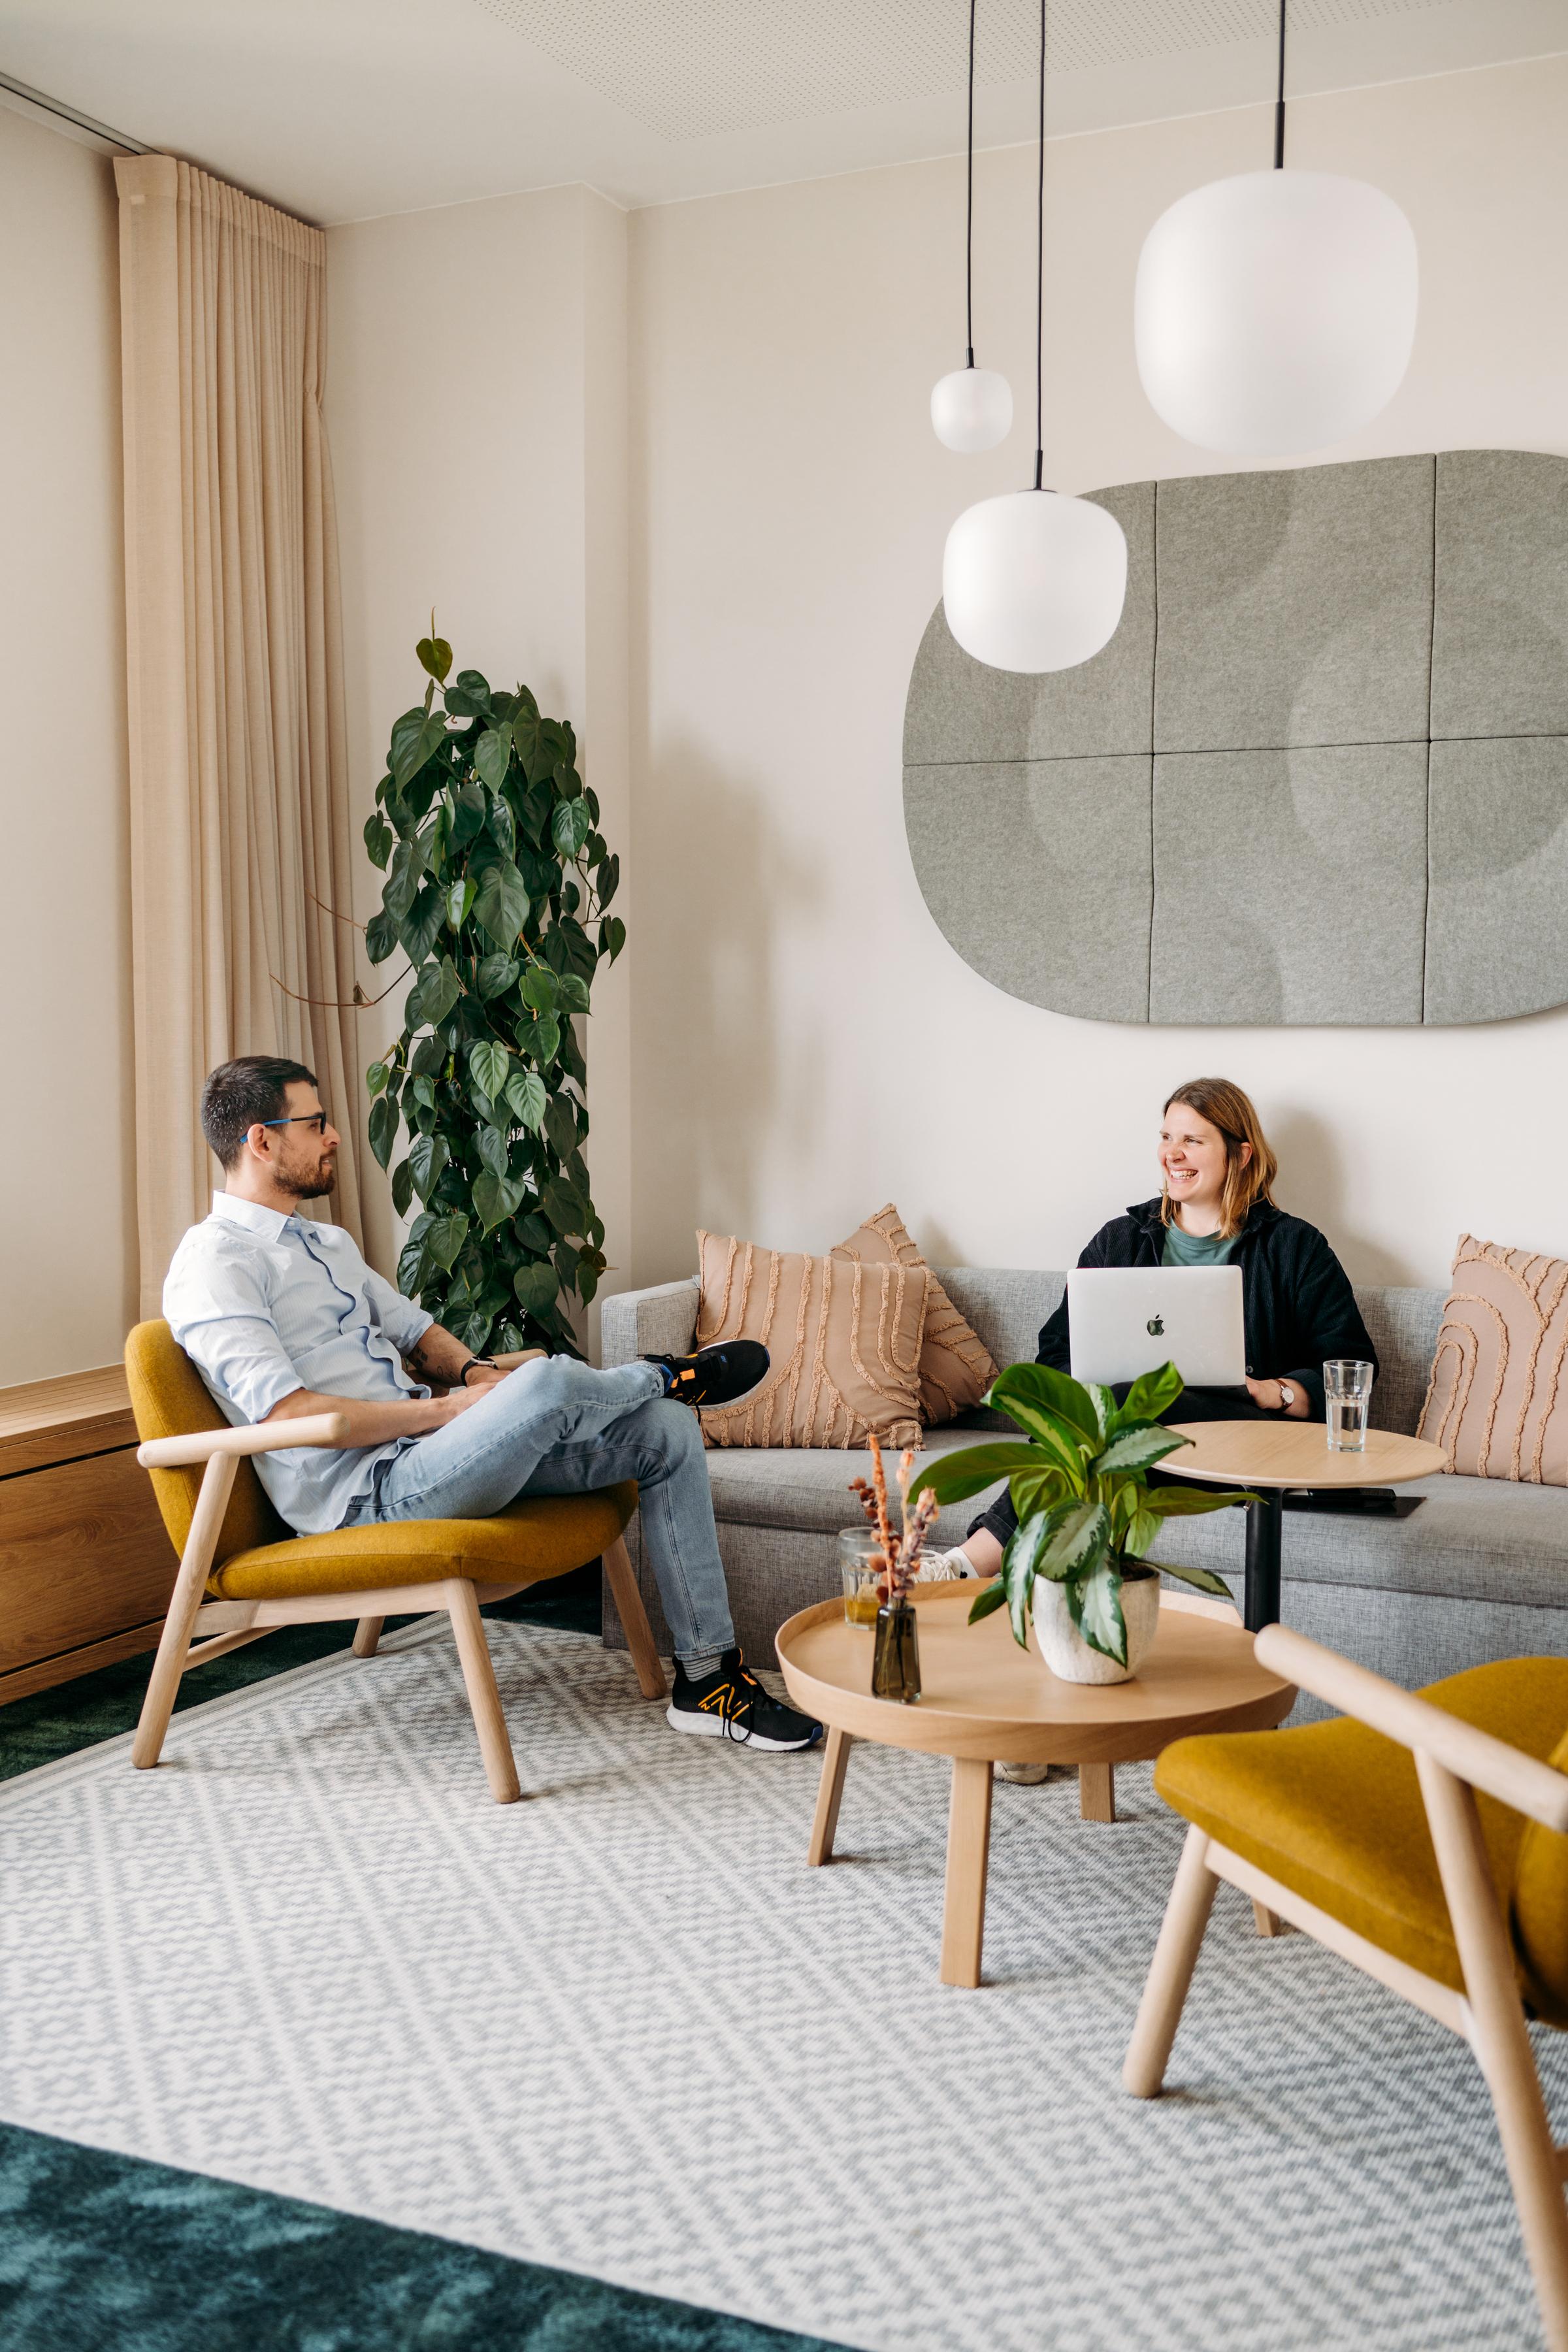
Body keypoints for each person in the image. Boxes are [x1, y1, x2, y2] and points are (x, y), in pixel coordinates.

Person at [163, 1055, 821, 1756]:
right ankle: (662, 1373)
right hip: (368, 1491)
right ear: (261, 1142)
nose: (333, 1138)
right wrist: (446, 1413)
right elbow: (290, 1418)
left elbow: (415, 1332)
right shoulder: (215, 1265)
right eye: (316, 1123)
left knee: (664, 1429)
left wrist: (474, 1375)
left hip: (433, 1454)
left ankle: (707, 1681)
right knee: (544, 1382)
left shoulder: (326, 1241)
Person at [920, 1076, 1377, 1780]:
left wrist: (1276, 1389)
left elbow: (1352, 1364)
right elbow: (1054, 1355)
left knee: (1124, 1420)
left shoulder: (1294, 1247)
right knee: (1093, 1469)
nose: (1174, 1153)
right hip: (1121, 1452)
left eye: (1193, 1139)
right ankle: (1037, 1725)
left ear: (1241, 1153)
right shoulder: (1121, 1238)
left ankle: (973, 1564)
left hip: (1236, 1443)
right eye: (1166, 1137)